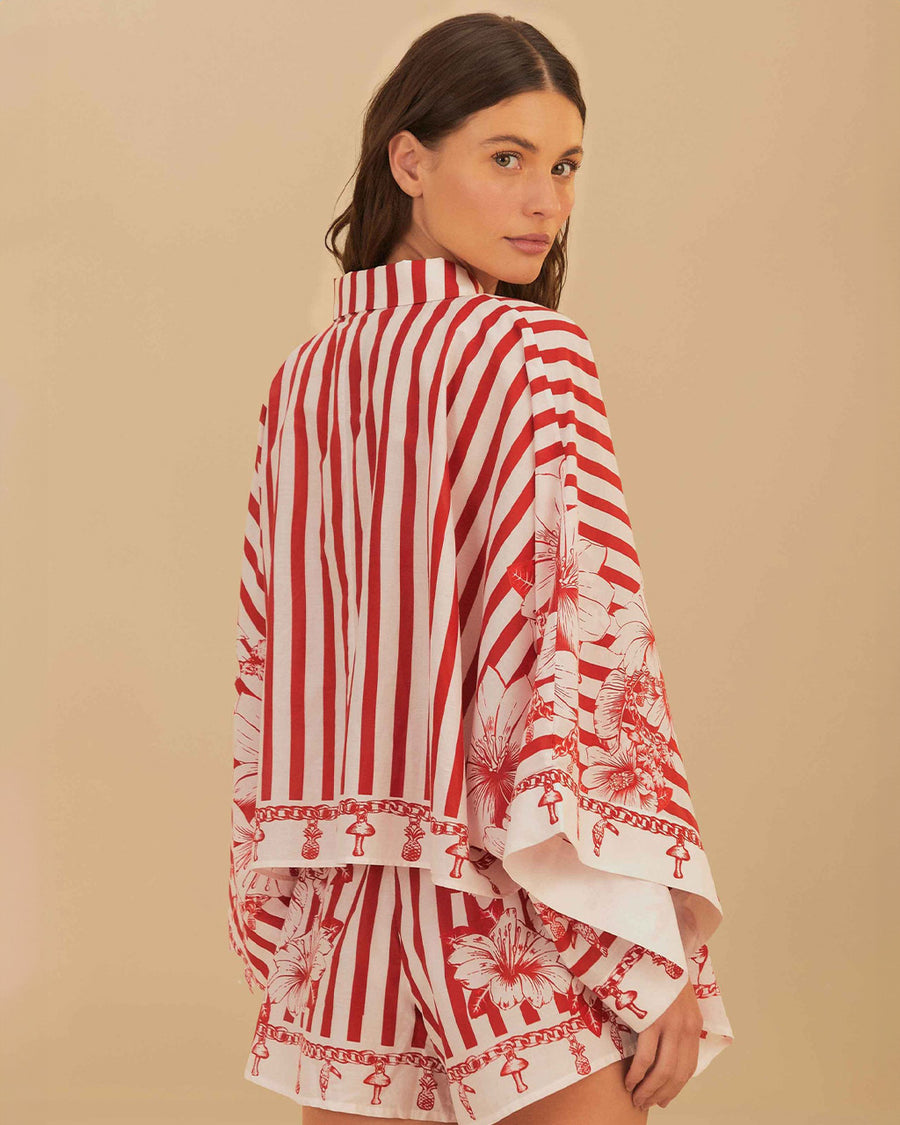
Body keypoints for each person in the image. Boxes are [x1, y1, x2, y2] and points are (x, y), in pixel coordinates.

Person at [228, 13, 734, 1125]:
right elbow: (589, 665)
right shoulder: (533, 356)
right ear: (410, 161)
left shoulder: (301, 382)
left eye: (563, 167)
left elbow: (268, 673)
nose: (547, 203)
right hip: (509, 896)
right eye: (506, 160)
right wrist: (653, 953)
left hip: (345, 917)